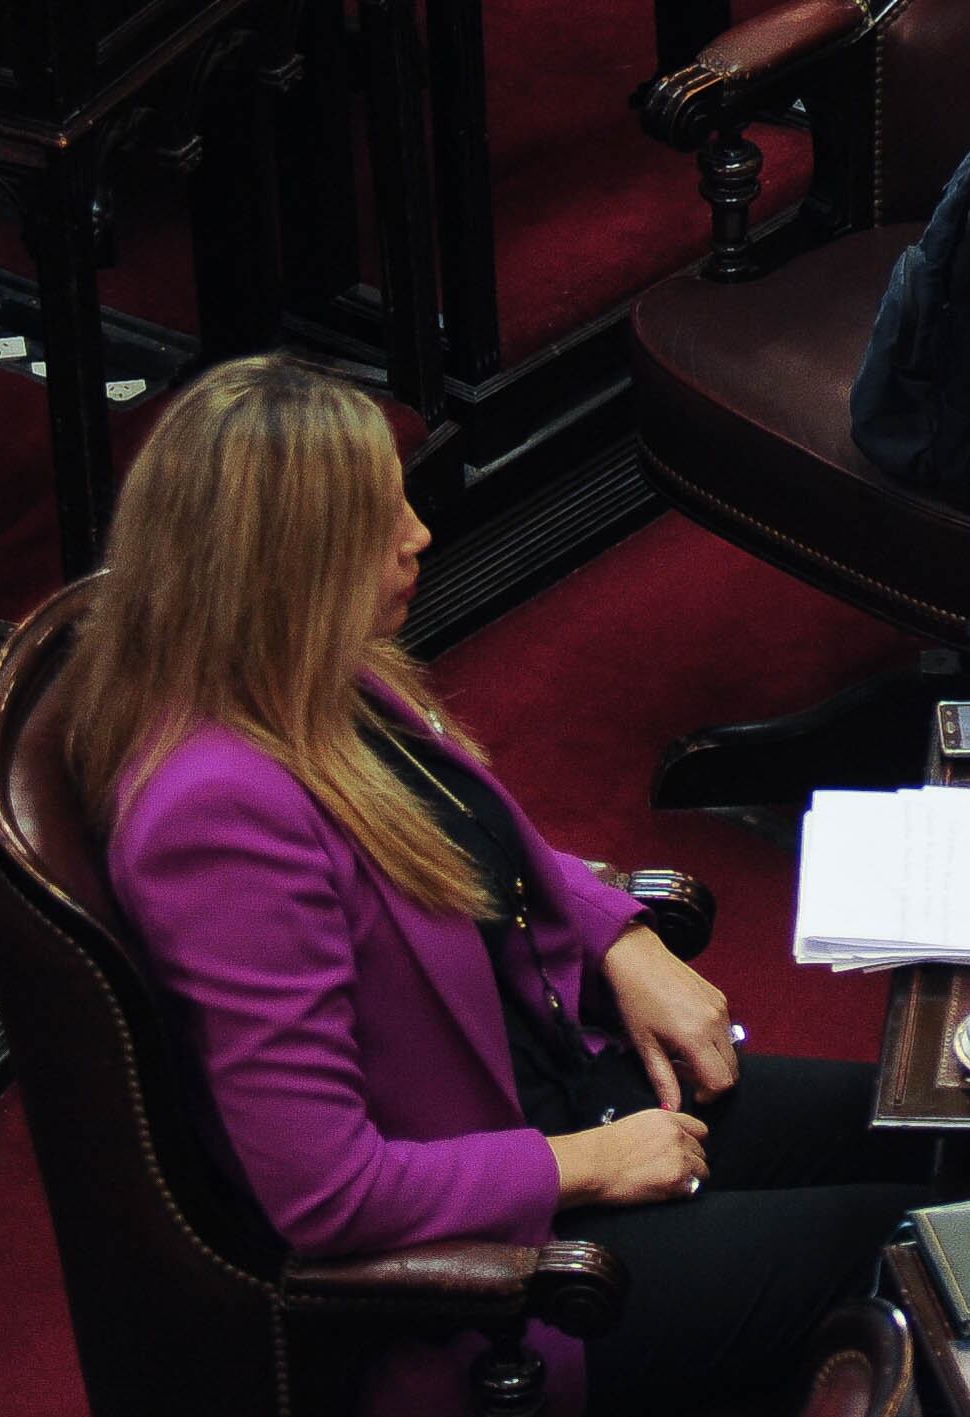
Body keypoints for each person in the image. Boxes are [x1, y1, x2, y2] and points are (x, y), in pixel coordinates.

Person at [71, 356, 923, 1417]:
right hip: (511, 1268)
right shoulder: (214, 817)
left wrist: (623, 938)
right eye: (377, 519)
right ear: (283, 564)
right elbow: (324, 1193)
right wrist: (589, 1163)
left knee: (952, 1127)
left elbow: (479, 850)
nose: (418, 535)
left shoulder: (318, 674)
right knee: (924, 1249)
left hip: (571, 1082)